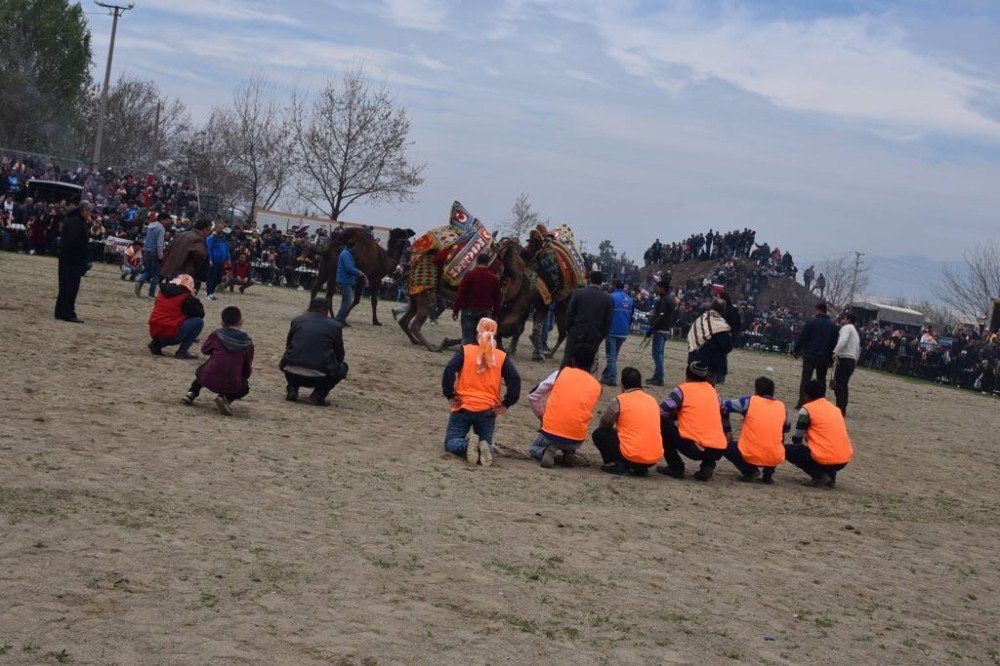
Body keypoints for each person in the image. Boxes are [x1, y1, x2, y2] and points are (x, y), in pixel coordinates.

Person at [441, 317, 521, 466]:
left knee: (451, 441)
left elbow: (449, 369)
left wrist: (450, 394)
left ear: (477, 331)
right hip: (487, 410)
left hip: (463, 406)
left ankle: (466, 446)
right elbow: (515, 379)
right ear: (495, 334)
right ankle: (484, 448)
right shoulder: (501, 356)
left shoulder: (466, 350)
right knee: (487, 443)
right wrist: (506, 403)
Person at [528, 347, 603, 468]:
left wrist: (542, 417)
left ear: (573, 361)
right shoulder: (597, 386)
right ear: (593, 364)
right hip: (576, 440)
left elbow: (533, 396)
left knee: (533, 448)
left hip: (550, 435)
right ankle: (568, 452)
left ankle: (545, 451)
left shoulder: (561, 373)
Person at [657, 361, 729, 481]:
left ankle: (676, 467)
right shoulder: (713, 392)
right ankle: (708, 465)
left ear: (687, 375)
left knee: (661, 424)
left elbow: (661, 412)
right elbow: (723, 411)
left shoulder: (682, 390)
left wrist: (673, 416)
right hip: (719, 449)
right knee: (708, 427)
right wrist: (728, 432)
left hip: (696, 449)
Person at [182, 306, 254, 416]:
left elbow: (205, 350)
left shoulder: (217, 334)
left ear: (222, 321)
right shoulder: (248, 342)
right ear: (240, 321)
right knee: (245, 388)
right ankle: (225, 399)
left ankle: (192, 392)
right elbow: (247, 366)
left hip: (209, 376)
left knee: (202, 370)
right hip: (233, 381)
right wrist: (244, 376)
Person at [592, 367, 662, 476]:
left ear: (622, 384)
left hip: (631, 455)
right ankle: (640, 468)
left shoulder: (620, 400)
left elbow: (604, 424)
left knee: (599, 434)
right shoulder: (652, 400)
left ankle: (619, 465)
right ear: (640, 384)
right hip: (653, 459)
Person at [281, 297, 349, 406]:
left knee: (290, 356)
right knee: (342, 367)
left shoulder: (297, 320)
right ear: (327, 310)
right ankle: (318, 395)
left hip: (291, 371)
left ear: (309, 307)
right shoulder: (335, 326)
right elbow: (339, 354)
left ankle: (292, 388)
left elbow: (289, 345)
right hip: (319, 377)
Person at [785, 380, 854, 488]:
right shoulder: (835, 409)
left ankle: (819, 475)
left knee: (787, 450)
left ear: (806, 395)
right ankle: (831, 477)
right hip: (844, 458)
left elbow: (798, 436)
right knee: (825, 449)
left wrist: (797, 441)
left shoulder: (807, 409)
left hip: (825, 457)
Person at [721, 376, 790, 484]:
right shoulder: (782, 407)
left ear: (756, 390)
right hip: (774, 456)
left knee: (725, 445)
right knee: (779, 436)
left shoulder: (748, 402)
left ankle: (750, 471)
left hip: (750, 453)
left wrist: (727, 429)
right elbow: (787, 428)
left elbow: (724, 406)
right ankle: (768, 474)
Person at [561, 271, 613, 369]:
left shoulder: (579, 293)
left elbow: (569, 313)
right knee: (587, 363)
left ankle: (562, 380)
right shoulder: (607, 299)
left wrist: (569, 328)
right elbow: (608, 321)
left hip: (576, 332)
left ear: (589, 280)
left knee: (567, 359)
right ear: (601, 282)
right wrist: (601, 335)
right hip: (594, 335)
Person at [793, 302, 839, 408]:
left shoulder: (810, 322)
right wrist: (831, 360)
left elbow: (802, 338)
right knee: (821, 380)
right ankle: (820, 403)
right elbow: (834, 344)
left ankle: (802, 402)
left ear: (818, 310)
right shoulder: (833, 326)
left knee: (805, 379)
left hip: (809, 355)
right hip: (824, 357)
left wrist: (796, 350)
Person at [148, 274, 205, 359]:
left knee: (166, 318)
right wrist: (194, 297)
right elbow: (200, 313)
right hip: (170, 333)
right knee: (198, 322)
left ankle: (156, 344)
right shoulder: (186, 297)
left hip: (154, 331)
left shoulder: (162, 292)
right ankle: (182, 352)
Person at [54, 201, 93, 324]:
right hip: (72, 259)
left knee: (65, 286)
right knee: (70, 287)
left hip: (69, 258)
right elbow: (73, 240)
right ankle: (68, 313)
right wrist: (86, 248)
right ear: (82, 210)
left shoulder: (74, 220)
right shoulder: (75, 221)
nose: (89, 214)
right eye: (88, 211)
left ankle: (60, 311)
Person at [452, 254, 503, 345]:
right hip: (486, 312)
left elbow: (460, 294)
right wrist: (495, 315)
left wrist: (455, 310)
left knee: (467, 341)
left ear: (476, 261)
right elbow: (498, 299)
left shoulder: (469, 275)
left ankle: (466, 357)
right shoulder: (494, 278)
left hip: (469, 311)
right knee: (482, 342)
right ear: (488, 263)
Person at [687, 299, 733, 384]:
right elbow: (727, 347)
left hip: (693, 361)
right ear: (723, 310)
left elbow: (691, 338)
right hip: (710, 365)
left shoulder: (699, 320)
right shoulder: (721, 325)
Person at [600, 280, 634, 386]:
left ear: (614, 286)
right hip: (624, 331)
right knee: (614, 356)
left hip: (612, 330)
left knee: (610, 355)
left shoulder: (611, 297)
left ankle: (612, 378)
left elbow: (605, 313)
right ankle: (606, 376)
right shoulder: (630, 299)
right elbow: (631, 315)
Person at [646, 279, 675, 386]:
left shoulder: (664, 300)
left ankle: (659, 377)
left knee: (657, 354)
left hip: (660, 329)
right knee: (660, 354)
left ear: (662, 288)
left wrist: (651, 329)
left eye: (658, 287)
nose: (656, 289)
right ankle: (657, 376)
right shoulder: (670, 299)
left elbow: (660, 316)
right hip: (666, 329)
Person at [832, 312, 860, 416]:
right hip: (852, 361)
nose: (842, 320)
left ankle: (839, 409)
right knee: (844, 385)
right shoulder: (855, 332)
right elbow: (857, 349)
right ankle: (843, 408)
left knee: (839, 385)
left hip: (844, 359)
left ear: (847, 319)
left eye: (843, 318)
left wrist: (835, 351)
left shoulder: (846, 328)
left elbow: (843, 340)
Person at [135, 212, 166, 298]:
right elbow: (159, 244)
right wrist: (160, 256)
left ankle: (139, 282)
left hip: (146, 250)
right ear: (163, 219)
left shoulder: (150, 226)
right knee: (156, 274)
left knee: (147, 270)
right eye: (167, 220)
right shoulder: (161, 229)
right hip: (154, 252)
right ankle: (151, 294)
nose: (167, 222)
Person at [335, 240, 366, 324]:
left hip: (345, 280)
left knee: (345, 301)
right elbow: (348, 268)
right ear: (352, 246)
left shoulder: (347, 253)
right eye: (356, 247)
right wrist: (359, 272)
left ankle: (342, 320)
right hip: (344, 280)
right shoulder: (346, 254)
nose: (357, 249)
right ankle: (338, 320)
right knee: (347, 302)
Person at [205, 227, 231, 301]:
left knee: (219, 278)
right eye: (219, 228)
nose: (221, 229)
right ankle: (209, 293)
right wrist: (209, 259)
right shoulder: (211, 238)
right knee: (211, 277)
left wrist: (228, 258)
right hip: (214, 261)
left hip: (221, 262)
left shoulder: (223, 238)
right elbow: (208, 249)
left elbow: (226, 248)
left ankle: (211, 293)